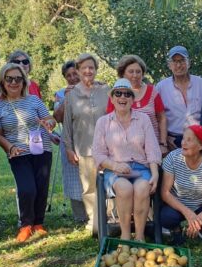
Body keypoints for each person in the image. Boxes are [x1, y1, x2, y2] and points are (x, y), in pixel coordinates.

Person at [0, 63, 56, 242]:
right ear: (2, 82)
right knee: (27, 189)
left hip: (42, 149)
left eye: (18, 78)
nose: (14, 82)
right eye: (9, 79)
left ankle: (38, 223)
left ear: (24, 81)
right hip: (18, 152)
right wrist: (9, 148)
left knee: (41, 188)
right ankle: (25, 225)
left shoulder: (34, 100)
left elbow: (49, 119)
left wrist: (49, 123)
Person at [92, 78, 161, 241]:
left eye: (127, 94)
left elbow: (152, 149)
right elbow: (98, 154)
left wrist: (155, 174)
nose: (123, 97)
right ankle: (125, 236)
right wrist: (116, 165)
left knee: (143, 189)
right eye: (118, 93)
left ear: (132, 99)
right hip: (114, 169)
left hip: (141, 169)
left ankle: (139, 236)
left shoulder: (143, 119)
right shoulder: (103, 122)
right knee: (124, 189)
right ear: (112, 98)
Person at [62, 54, 111, 233]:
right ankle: (94, 220)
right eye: (84, 68)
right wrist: (68, 148)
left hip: (108, 149)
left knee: (109, 185)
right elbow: (67, 124)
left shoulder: (106, 90)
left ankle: (110, 219)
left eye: (91, 67)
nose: (88, 71)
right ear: (78, 70)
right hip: (84, 148)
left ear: (96, 70)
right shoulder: (71, 95)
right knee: (89, 187)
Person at [107, 55, 168, 155]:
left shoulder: (152, 91)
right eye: (131, 71)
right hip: (124, 151)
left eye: (138, 71)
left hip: (152, 148)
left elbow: (162, 118)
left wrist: (163, 144)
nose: (135, 75)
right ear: (123, 74)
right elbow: (110, 122)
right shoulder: (116, 94)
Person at [52, 60, 86, 224]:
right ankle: (80, 216)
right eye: (68, 76)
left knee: (91, 175)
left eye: (75, 74)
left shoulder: (92, 89)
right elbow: (57, 117)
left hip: (89, 138)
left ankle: (97, 213)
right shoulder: (60, 93)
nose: (73, 78)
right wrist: (66, 98)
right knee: (73, 177)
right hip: (70, 139)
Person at [156, 46, 202, 149]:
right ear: (169, 65)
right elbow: (156, 116)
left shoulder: (200, 83)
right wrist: (165, 138)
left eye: (182, 61)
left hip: (198, 139)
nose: (179, 65)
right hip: (173, 141)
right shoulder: (161, 87)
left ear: (189, 63)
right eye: (174, 61)